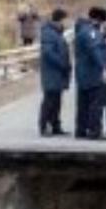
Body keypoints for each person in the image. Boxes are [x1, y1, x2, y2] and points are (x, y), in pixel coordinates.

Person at [74, 7, 106, 140]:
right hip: (92, 72)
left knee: (83, 103)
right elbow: (95, 51)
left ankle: (81, 129)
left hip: (82, 73)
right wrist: (104, 68)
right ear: (99, 20)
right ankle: (95, 131)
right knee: (96, 103)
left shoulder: (81, 30)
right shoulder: (91, 33)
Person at [38, 8, 71, 136]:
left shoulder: (57, 33)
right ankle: (44, 125)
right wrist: (62, 64)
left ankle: (56, 125)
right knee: (49, 100)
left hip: (58, 73)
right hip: (52, 72)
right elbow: (48, 53)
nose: (67, 23)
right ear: (60, 19)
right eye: (66, 20)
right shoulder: (49, 33)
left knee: (57, 101)